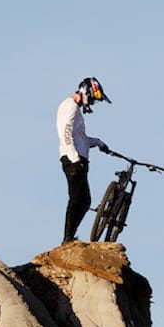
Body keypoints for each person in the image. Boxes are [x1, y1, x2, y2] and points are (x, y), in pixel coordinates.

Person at [56, 77, 112, 244]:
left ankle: (69, 236)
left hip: (76, 158)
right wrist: (75, 159)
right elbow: (66, 134)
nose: (92, 104)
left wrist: (99, 143)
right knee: (77, 199)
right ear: (86, 92)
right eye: (93, 100)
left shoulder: (72, 108)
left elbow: (80, 138)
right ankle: (67, 238)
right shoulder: (71, 107)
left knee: (84, 200)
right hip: (73, 159)